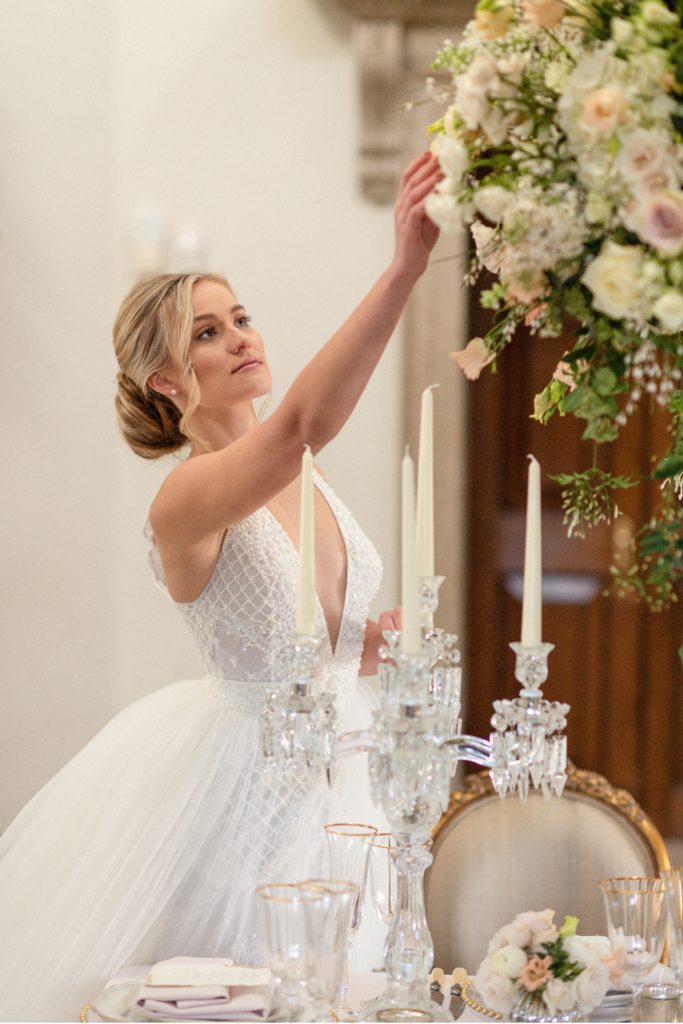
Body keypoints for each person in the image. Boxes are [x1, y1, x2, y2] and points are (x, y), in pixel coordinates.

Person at [0, 151, 441, 1022]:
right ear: (166, 380)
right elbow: (304, 423)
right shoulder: (186, 498)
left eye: (240, 318)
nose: (241, 337)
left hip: (345, 779)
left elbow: (311, 640)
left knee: (356, 990)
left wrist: (366, 647)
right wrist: (403, 269)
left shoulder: (307, 480)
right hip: (247, 797)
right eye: (207, 332)